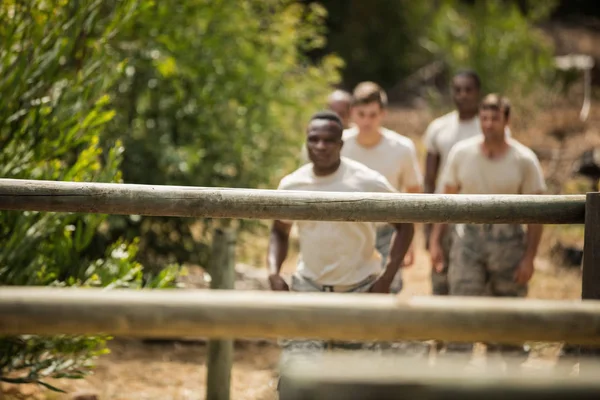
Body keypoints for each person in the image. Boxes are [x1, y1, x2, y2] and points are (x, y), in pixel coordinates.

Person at [268, 111, 414, 388]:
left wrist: (386, 278)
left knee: (357, 384)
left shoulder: (367, 182)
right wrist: (273, 271)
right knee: (295, 381)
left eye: (328, 140)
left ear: (341, 144)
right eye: (314, 139)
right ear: (306, 142)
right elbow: (279, 229)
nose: (321, 146)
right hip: (308, 290)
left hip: (359, 291)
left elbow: (406, 223)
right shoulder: (292, 184)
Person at [429, 94, 546, 364]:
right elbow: (445, 199)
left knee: (507, 322)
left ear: (506, 120)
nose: (489, 123)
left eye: (495, 118)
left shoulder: (523, 159)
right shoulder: (462, 152)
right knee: (461, 314)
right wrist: (436, 242)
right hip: (467, 241)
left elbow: (539, 213)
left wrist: (529, 257)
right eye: (484, 118)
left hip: (508, 244)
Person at [341, 81, 423, 293]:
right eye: (361, 114)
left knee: (388, 291)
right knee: (347, 292)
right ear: (352, 113)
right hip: (348, 231)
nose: (367, 121)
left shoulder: (402, 147)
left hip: (389, 232)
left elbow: (413, 192)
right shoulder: (338, 145)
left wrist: (410, 243)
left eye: (372, 114)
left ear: (383, 114)